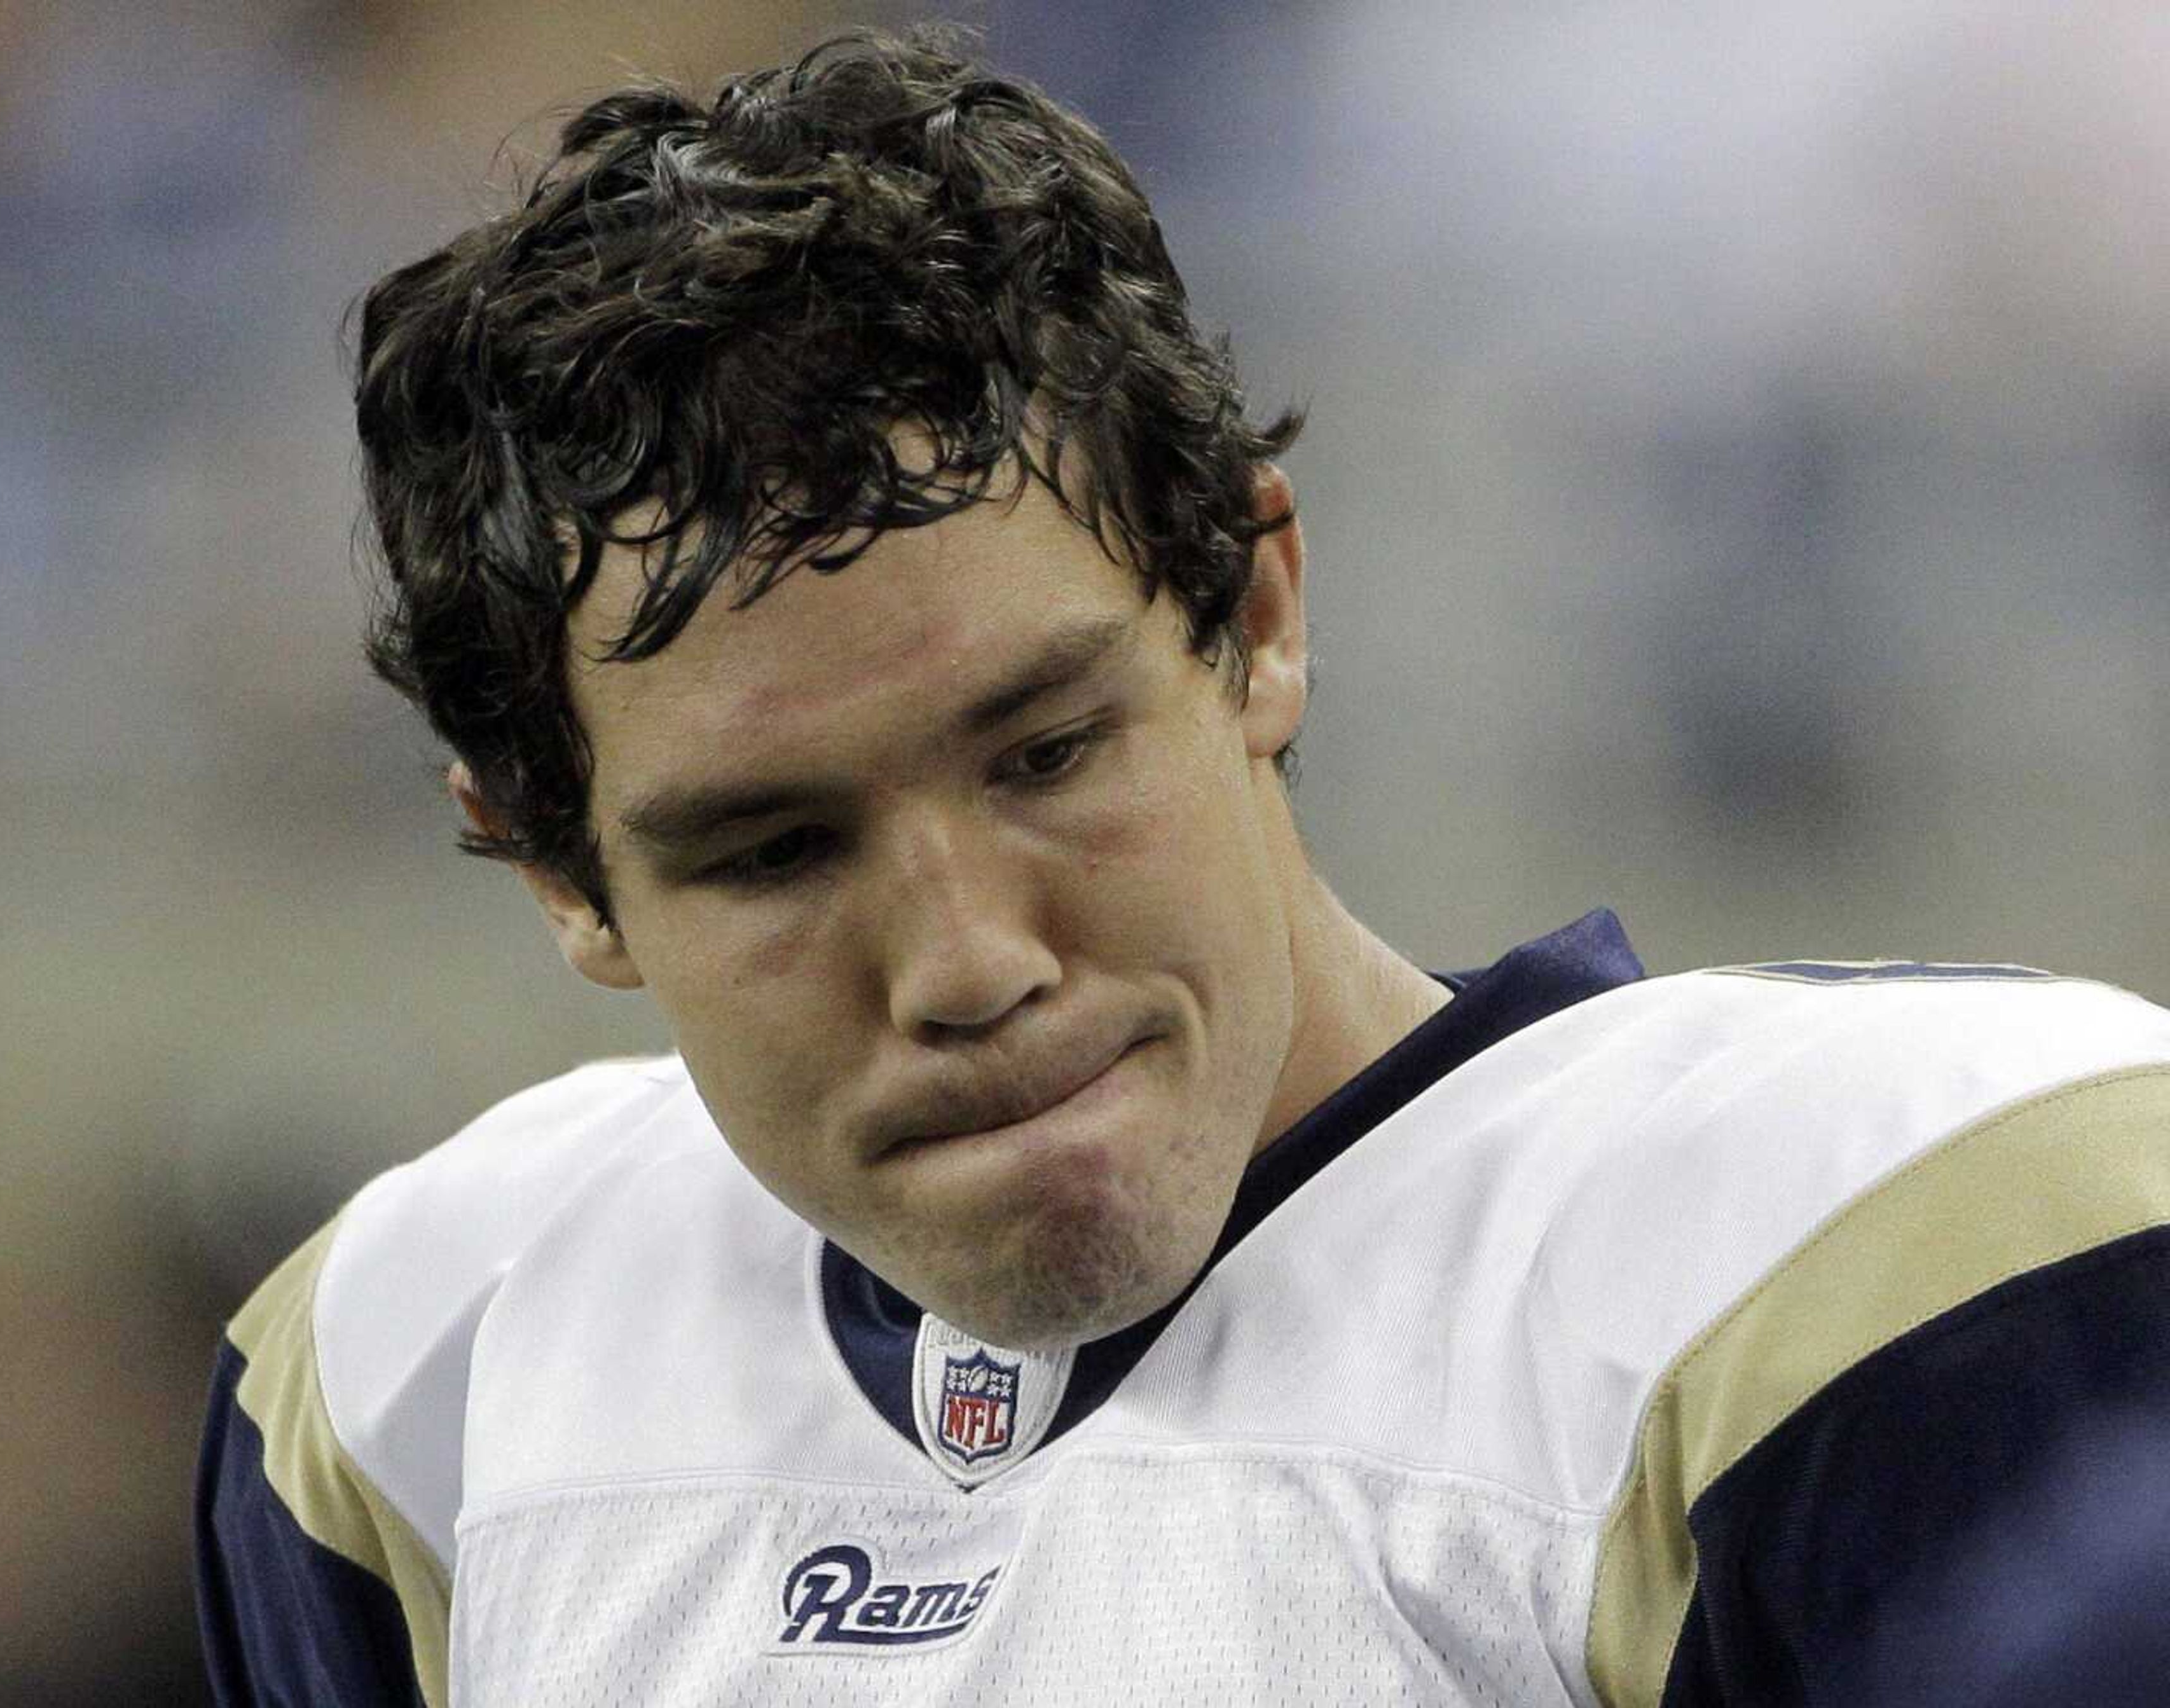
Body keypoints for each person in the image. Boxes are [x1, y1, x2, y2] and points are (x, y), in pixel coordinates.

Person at [193, 31, 2170, 1707]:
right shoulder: (432, 1380)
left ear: (1256, 609)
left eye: (1048, 752)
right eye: (773, 851)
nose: (966, 962)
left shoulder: (1888, 1265)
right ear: (553, 867)